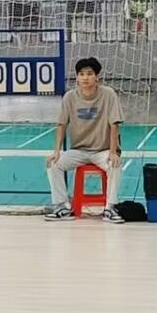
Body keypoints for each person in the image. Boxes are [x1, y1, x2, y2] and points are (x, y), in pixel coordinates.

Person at [43, 58, 122, 220]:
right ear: (77, 77)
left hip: (102, 150)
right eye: (81, 74)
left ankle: (110, 208)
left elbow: (114, 124)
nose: (85, 78)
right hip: (78, 150)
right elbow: (61, 125)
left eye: (89, 74)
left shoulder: (108, 94)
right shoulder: (69, 97)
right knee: (53, 163)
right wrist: (56, 151)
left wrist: (113, 152)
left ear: (97, 77)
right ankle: (62, 206)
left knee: (115, 164)